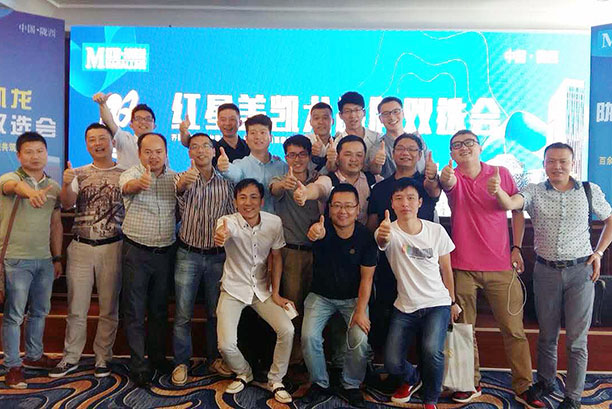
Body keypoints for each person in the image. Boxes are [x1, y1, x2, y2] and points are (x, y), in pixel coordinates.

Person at [488, 142, 612, 409]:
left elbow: (610, 220)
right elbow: (512, 204)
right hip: (545, 271)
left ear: (572, 163)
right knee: (547, 335)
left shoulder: (589, 191)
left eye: (563, 161)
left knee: (577, 341)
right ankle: (545, 382)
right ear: (543, 164)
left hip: (581, 272)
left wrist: (599, 252)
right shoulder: (534, 191)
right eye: (551, 161)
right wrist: (497, 190)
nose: (557, 166)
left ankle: (573, 397)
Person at [439, 129, 544, 408]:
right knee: (463, 329)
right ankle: (468, 382)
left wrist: (517, 247)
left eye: (469, 143)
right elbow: (446, 184)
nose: (463, 148)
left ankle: (523, 385)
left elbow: (517, 211)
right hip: (462, 267)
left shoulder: (500, 173)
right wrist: (443, 178)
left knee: (514, 330)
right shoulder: (452, 176)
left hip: (501, 266)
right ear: (451, 153)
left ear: (480, 147)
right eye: (457, 145)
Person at [375, 179, 460, 408]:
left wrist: (452, 301)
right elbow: (382, 240)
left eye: (411, 198)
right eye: (399, 198)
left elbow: (446, 269)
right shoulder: (388, 230)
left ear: (420, 202)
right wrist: (383, 234)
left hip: (437, 303)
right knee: (391, 362)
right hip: (405, 306)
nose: (405, 203)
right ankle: (413, 379)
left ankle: (431, 398)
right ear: (392, 203)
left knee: (432, 351)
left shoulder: (436, 231)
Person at [50, 123, 125, 379]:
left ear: (112, 142)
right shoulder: (78, 173)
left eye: (102, 138)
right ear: (86, 145)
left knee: (109, 308)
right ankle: (71, 357)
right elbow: (67, 203)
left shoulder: (125, 174)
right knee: (76, 307)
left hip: (113, 246)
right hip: (81, 247)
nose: (97, 143)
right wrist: (65, 184)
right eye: (91, 139)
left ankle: (103, 357)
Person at [214, 179, 295, 404]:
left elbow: (277, 257)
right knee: (226, 344)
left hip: (262, 290)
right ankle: (244, 372)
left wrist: (276, 293)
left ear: (262, 201)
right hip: (233, 289)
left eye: (253, 197)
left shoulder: (274, 223)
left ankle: (276, 379)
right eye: (242, 198)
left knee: (287, 329)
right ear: (235, 202)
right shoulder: (227, 221)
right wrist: (221, 235)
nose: (248, 203)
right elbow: (222, 232)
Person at [300, 183, 377, 408]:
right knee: (309, 336)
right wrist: (315, 233)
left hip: (353, 298)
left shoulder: (365, 237)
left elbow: (367, 279)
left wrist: (360, 311)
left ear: (358, 209)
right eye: (337, 206)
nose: (343, 211)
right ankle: (319, 383)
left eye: (348, 206)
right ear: (329, 208)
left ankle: (351, 384)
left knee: (359, 338)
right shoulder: (320, 228)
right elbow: (315, 234)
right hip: (320, 296)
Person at [365, 132, 440, 356]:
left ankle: (420, 366)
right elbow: (372, 225)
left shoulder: (426, 185)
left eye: (411, 149)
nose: (405, 153)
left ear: (419, 154)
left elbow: (435, 190)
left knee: (425, 327)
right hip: (390, 264)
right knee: (386, 314)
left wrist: (433, 178)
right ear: (392, 153)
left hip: (423, 266)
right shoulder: (380, 188)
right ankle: (391, 366)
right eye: (400, 148)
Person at [171, 132, 235, 386]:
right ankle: (181, 362)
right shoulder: (182, 178)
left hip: (217, 258)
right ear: (189, 152)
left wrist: (226, 232)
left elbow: (231, 217)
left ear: (213, 151)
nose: (200, 151)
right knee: (183, 313)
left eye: (205, 146)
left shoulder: (226, 183)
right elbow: (177, 192)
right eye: (195, 147)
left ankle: (213, 359)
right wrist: (182, 185)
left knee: (215, 312)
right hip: (188, 254)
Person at [0, 132, 62, 388]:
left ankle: (34, 356)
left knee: (40, 312)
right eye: (28, 151)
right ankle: (13, 365)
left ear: (46, 153)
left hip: (44, 261)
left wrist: (57, 258)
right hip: (15, 260)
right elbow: (14, 188)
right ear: (18, 155)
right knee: (14, 315)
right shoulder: (9, 178)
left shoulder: (53, 187)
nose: (35, 156)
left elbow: (56, 224)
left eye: (40, 151)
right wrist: (30, 193)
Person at [119, 132, 177, 387]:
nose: (154, 156)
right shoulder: (130, 174)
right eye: (148, 152)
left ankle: (157, 357)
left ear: (166, 153)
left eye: (158, 152)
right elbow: (127, 187)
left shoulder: (175, 178)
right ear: (139, 153)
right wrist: (140, 183)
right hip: (137, 252)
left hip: (165, 253)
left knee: (159, 309)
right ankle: (138, 364)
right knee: (134, 310)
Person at [270, 135, 321, 365]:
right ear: (286, 157)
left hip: (318, 253)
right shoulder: (282, 180)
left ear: (309, 156)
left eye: (302, 154)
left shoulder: (318, 178)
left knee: (315, 309)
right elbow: (274, 189)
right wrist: (284, 185)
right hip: (290, 254)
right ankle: (292, 361)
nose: (297, 159)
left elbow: (323, 190)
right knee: (292, 308)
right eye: (292, 155)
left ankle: (311, 359)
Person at [294, 135, 381, 225]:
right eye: (348, 154)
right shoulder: (329, 180)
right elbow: (319, 188)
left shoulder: (373, 181)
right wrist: (306, 193)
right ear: (338, 157)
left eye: (359, 155)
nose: (354, 159)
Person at [217, 114, 287, 214]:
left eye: (263, 132)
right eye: (253, 133)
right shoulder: (240, 165)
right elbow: (234, 173)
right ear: (246, 138)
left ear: (271, 138)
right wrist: (225, 167)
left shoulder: (282, 166)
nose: (258, 137)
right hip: (248, 221)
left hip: (277, 222)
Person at [93, 93, 156, 169]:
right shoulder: (125, 140)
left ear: (154, 126)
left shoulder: (160, 145)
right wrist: (102, 104)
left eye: (148, 119)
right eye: (138, 119)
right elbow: (109, 121)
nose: (143, 122)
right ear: (131, 125)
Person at [332, 91, 386, 175]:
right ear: (340, 115)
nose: (353, 115)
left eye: (357, 110)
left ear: (364, 113)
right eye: (347, 111)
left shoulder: (377, 138)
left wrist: (377, 162)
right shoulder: (336, 143)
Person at [376, 97, 430, 178]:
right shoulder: (379, 146)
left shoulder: (418, 139)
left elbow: (429, 167)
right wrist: (376, 163)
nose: (392, 117)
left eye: (396, 111)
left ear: (403, 114)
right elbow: (374, 170)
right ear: (380, 119)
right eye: (386, 114)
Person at [179, 103, 250, 163]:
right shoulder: (212, 146)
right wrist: (183, 131)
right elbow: (188, 142)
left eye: (232, 119)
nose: (227, 123)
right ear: (218, 123)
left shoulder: (249, 146)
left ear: (240, 123)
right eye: (223, 120)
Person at [306, 102, 335, 171]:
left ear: (332, 121)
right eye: (316, 118)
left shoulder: (339, 142)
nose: (321, 122)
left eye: (325, 118)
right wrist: (312, 154)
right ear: (310, 122)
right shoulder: (304, 141)